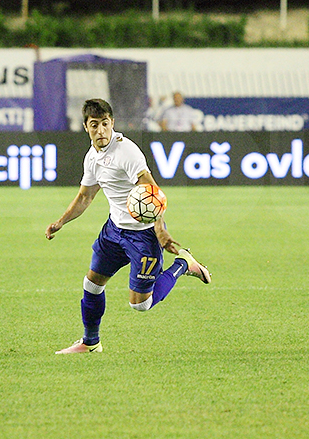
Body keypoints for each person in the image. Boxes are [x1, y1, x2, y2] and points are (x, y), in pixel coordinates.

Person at [46, 98, 211, 354]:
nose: (100, 131)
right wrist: (60, 222)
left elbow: (152, 191)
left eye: (104, 124)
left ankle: (183, 264)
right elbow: (85, 196)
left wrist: (160, 229)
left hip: (143, 236)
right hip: (113, 232)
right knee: (91, 284)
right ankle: (90, 342)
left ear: (111, 123)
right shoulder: (92, 157)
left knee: (140, 305)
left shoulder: (127, 152)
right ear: (85, 127)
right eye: (94, 125)